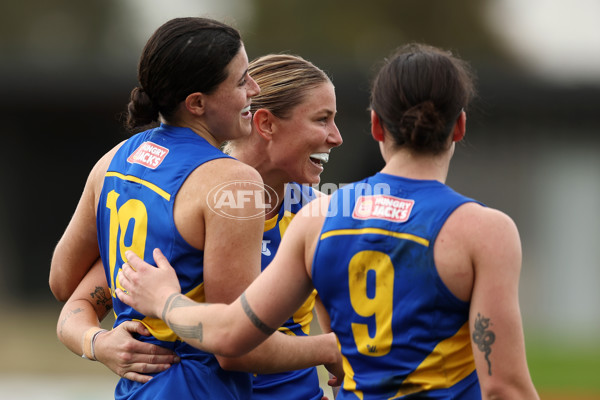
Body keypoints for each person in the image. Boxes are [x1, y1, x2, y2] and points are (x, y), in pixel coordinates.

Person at [116, 43, 541, 399]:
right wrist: (94, 341)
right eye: (323, 119)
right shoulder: (484, 230)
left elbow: (230, 339)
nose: (335, 135)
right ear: (460, 126)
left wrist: (166, 302)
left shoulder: (320, 216)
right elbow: (505, 387)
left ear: (376, 125)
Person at [49, 17, 341, 400]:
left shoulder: (119, 160)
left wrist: (96, 340)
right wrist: (338, 349)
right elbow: (234, 346)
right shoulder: (226, 184)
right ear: (198, 103)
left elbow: (63, 282)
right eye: (241, 82)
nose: (336, 137)